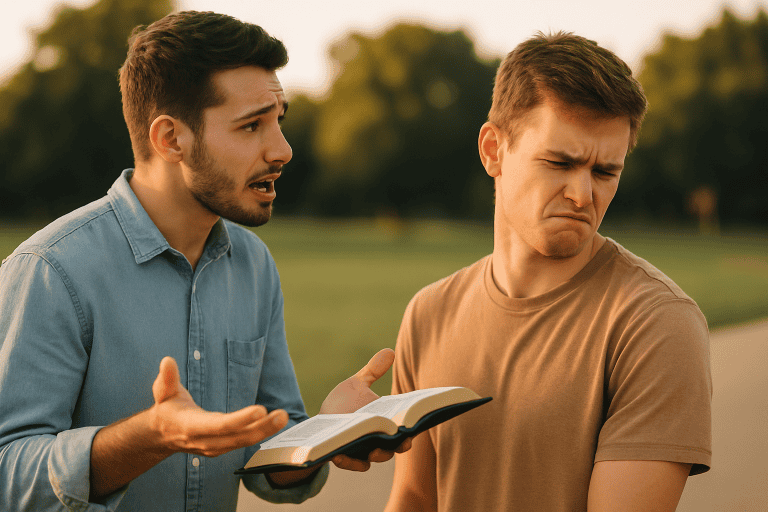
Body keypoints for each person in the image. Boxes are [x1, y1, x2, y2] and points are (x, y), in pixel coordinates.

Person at [0, 11, 407, 512]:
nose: (282, 149)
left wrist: (327, 432)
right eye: (251, 125)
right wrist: (150, 437)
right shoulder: (51, 270)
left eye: (279, 120)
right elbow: (8, 474)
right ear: (171, 139)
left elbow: (265, 458)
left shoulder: (254, 265)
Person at [385, 32, 712, 512]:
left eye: (605, 172)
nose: (583, 195)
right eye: (560, 162)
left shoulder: (656, 323)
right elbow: (414, 498)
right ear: (494, 150)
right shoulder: (429, 312)